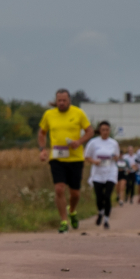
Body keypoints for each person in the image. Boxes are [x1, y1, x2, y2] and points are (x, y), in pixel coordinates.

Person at [36, 89, 91, 232]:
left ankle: (72, 211)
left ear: (69, 101)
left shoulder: (78, 113)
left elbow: (90, 131)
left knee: (75, 194)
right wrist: (42, 149)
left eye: (64, 100)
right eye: (59, 100)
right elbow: (42, 133)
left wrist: (79, 142)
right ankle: (64, 221)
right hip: (57, 158)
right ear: (56, 101)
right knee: (59, 189)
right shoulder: (49, 114)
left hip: (75, 158)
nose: (61, 103)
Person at [84, 121, 121, 229]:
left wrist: (115, 157)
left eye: (107, 130)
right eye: (103, 130)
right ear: (99, 131)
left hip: (110, 171)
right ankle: (100, 211)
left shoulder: (113, 143)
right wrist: (94, 161)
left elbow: (117, 156)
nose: (105, 132)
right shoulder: (93, 142)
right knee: (99, 197)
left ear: (109, 131)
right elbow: (87, 156)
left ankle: (106, 220)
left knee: (107, 196)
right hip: (98, 173)